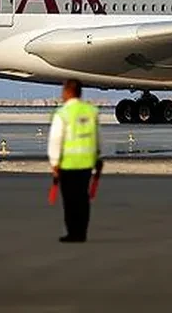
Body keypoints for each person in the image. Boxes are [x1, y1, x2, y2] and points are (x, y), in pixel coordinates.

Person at [47, 79, 102, 243]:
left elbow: (56, 139)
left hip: (68, 164)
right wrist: (98, 157)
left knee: (70, 201)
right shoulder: (90, 111)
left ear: (68, 92)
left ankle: (73, 233)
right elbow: (97, 137)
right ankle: (82, 232)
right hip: (86, 163)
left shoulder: (62, 113)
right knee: (83, 199)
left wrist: (55, 162)